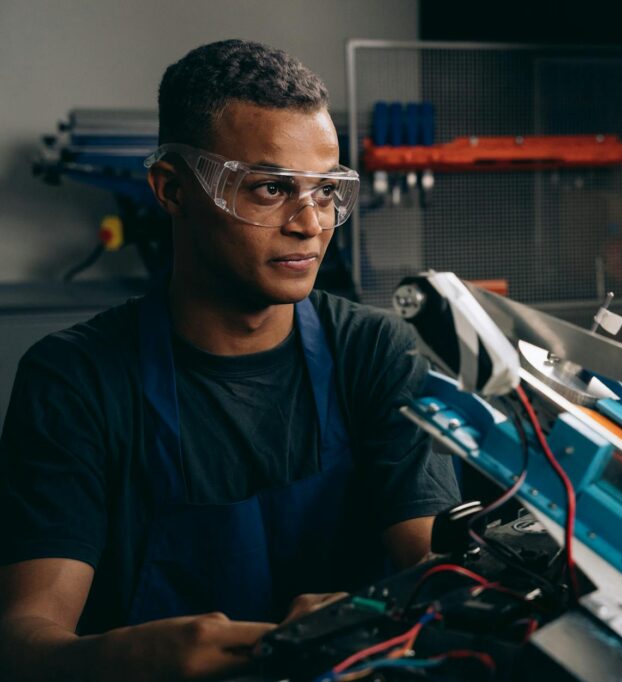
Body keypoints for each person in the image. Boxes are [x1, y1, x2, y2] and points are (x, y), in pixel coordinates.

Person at [0, 40, 460, 679]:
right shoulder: (75, 382)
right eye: (271, 189)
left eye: (326, 191)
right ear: (172, 190)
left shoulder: (375, 352)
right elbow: (24, 641)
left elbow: (434, 569)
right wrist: (127, 657)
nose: (310, 223)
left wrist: (372, 612)